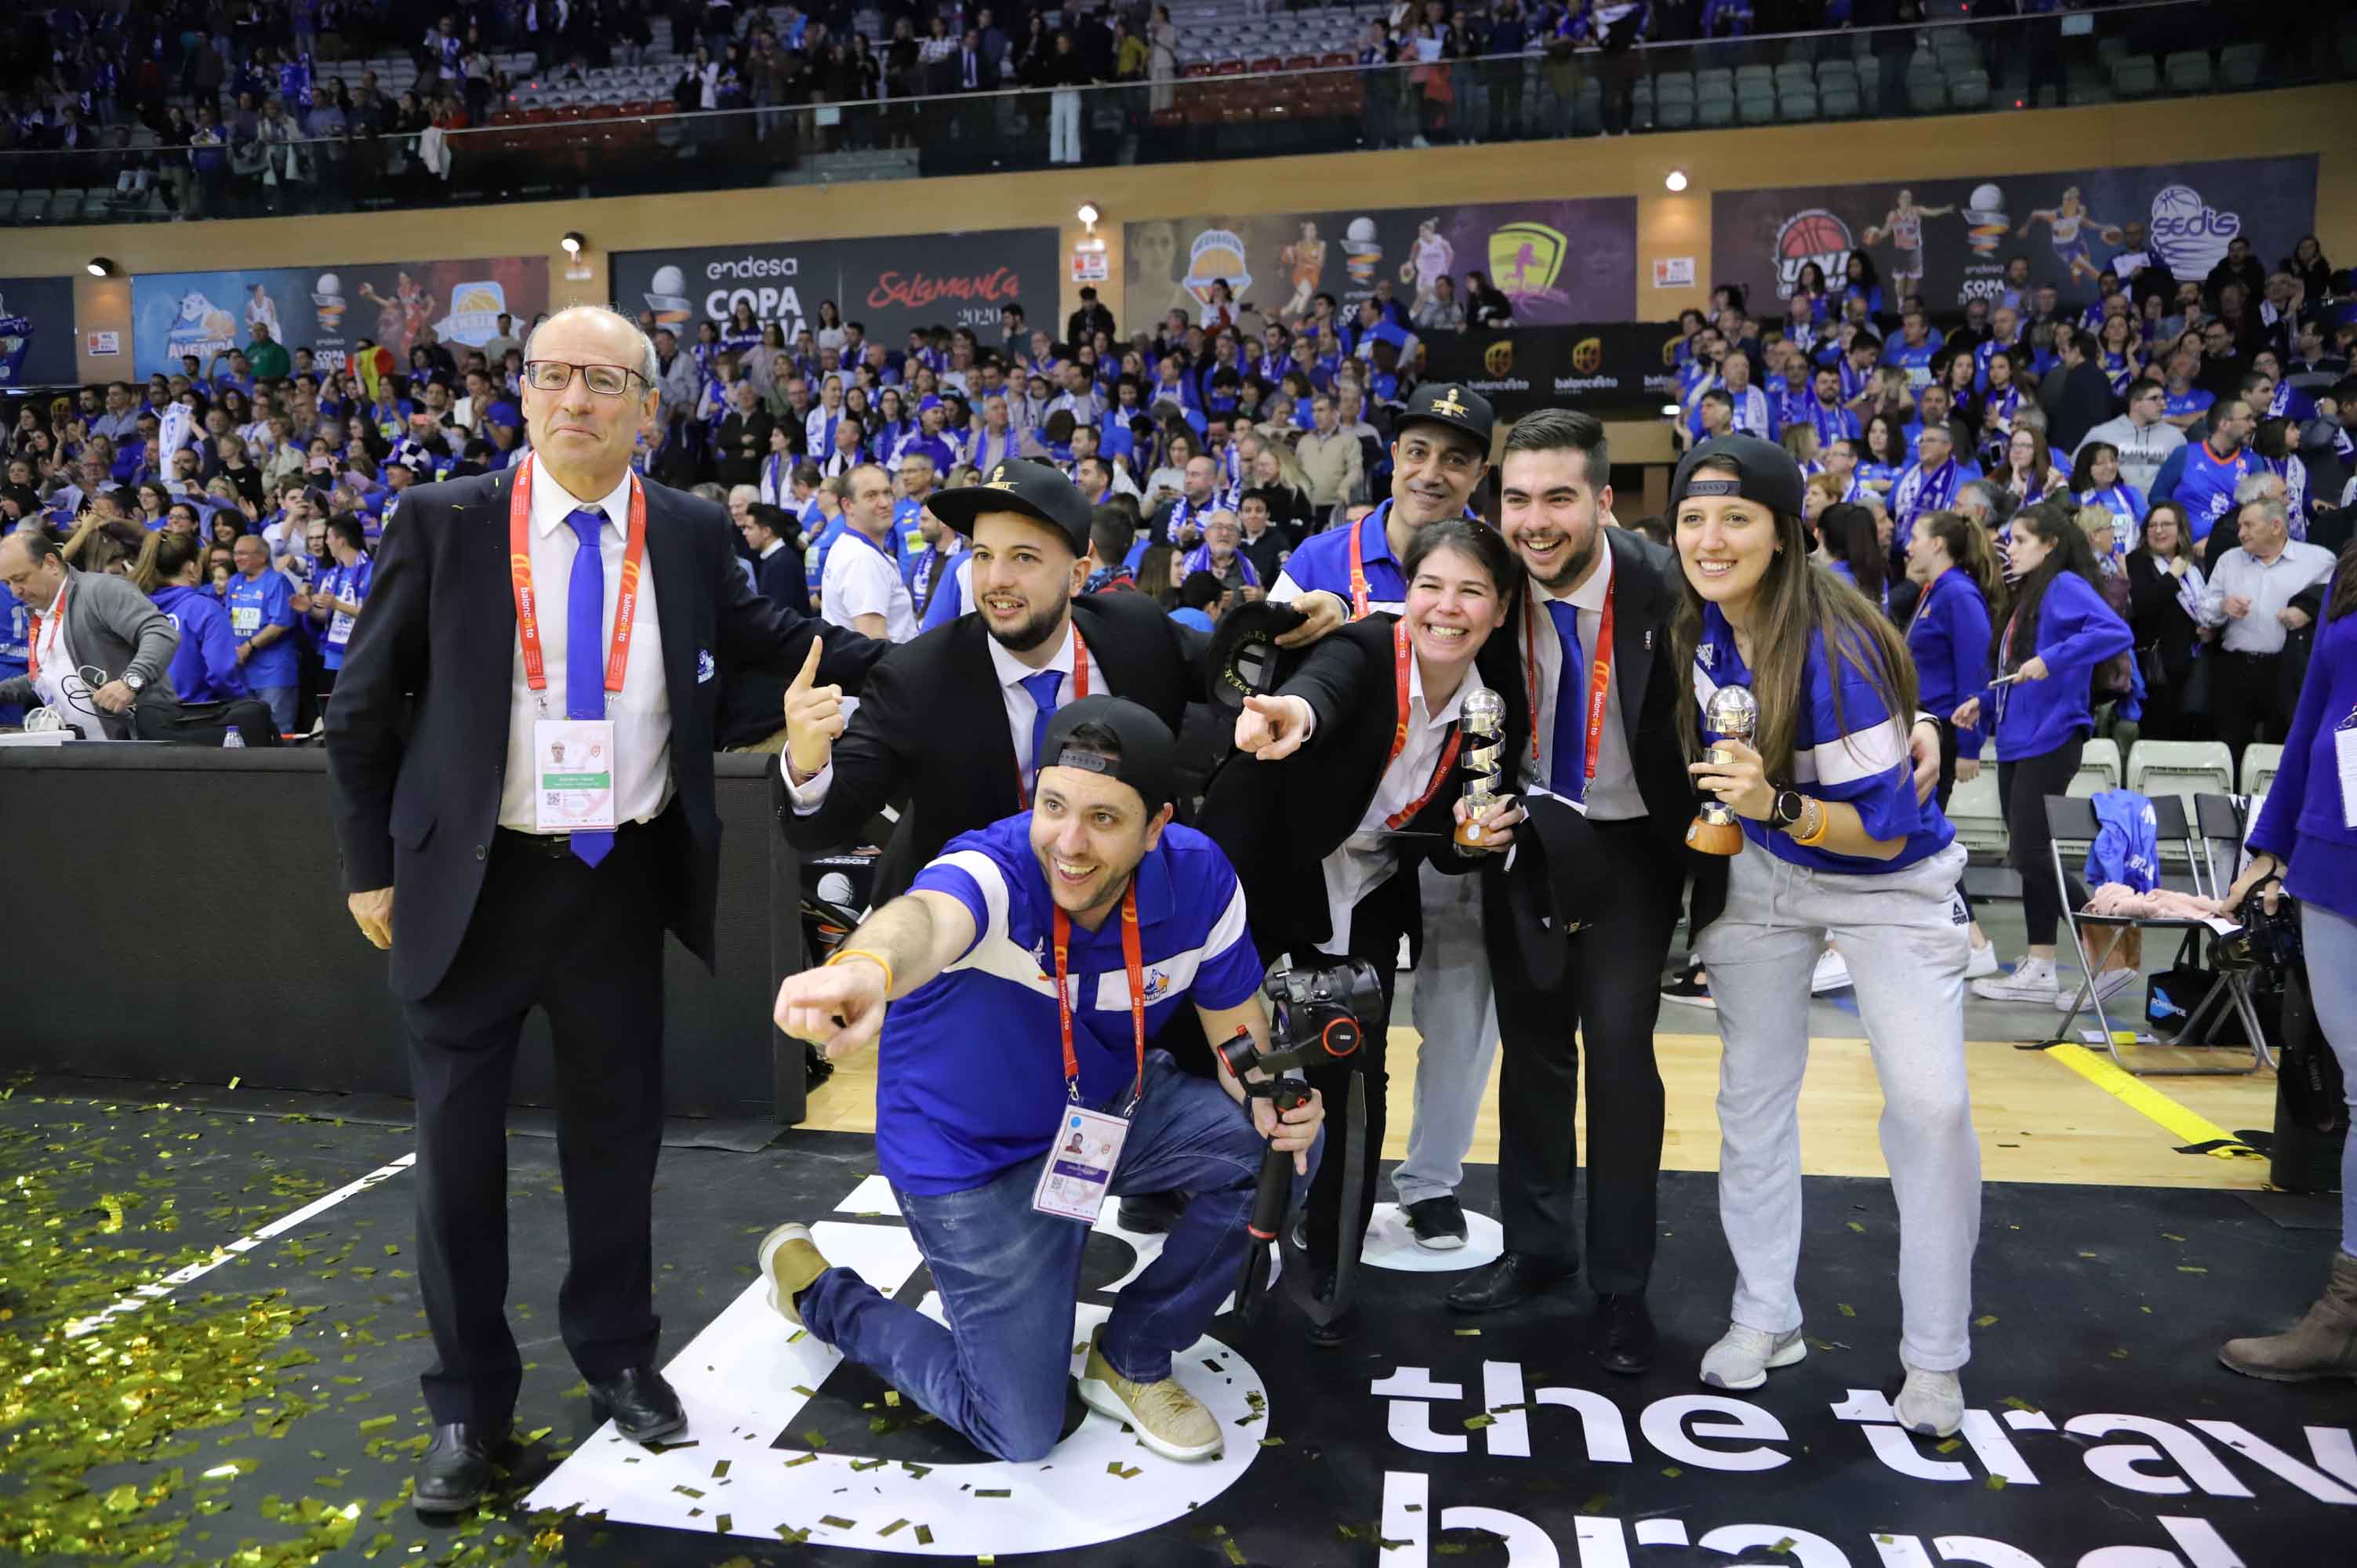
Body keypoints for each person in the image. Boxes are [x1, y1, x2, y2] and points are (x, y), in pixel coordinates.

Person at [322, 304, 886, 1519]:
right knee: (456, 1165)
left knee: (616, 1140)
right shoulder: (444, 520)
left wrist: (936, 661)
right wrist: (371, 869)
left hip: (614, 877)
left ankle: (620, 1355)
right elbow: (361, 710)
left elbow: (774, 638)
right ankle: (470, 1407)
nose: (574, 398)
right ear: (524, 394)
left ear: (646, 406)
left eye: (603, 382)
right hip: (468, 884)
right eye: (552, 376)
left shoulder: (683, 530)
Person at [758, 697, 1324, 1461]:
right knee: (1019, 1429)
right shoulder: (995, 868)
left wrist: (1273, 1098)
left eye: (1104, 818)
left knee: (1283, 1147)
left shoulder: (1200, 882)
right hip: (968, 1152)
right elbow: (924, 917)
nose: (1069, 841)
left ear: (1157, 827)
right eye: (1053, 806)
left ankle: (1134, 1350)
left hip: (1101, 1113)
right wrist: (865, 964)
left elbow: (1239, 1045)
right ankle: (820, 1291)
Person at [1671, 433, 1980, 1439]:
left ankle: (1935, 1357)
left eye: (1735, 518)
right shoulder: (1697, 621)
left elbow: (1881, 828)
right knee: (1751, 1095)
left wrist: (1778, 802)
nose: (1710, 539)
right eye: (1691, 517)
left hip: (1888, 880)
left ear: (1786, 532)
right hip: (1763, 873)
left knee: (1930, 1108)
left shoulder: (1841, 644)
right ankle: (1768, 1313)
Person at [1438, 410, 1728, 1373]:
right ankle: (1537, 1245)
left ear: (1604, 500)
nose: (1535, 519)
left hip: (1634, 847)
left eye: (1559, 496)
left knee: (1616, 1056)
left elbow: (1787, 638)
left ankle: (1620, 1284)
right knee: (1531, 1054)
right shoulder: (1492, 579)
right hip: (1525, 840)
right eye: (1517, 498)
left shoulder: (1668, 585)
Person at [1204, 519, 1532, 1346]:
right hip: (1269, 860)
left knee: (1353, 1056)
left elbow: (1457, 851)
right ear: (1405, 591)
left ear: (1500, 610)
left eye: (1471, 591)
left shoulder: (1499, 698)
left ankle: (1331, 1261)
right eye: (1431, 585)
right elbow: (1326, 690)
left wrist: (1472, 839)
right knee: (1212, 1036)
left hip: (1372, 881)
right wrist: (1294, 715)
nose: (1446, 607)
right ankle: (1193, 1208)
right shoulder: (1365, 645)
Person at [2216, 538, 2357, 1383]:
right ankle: (2344, 1310)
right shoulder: (2348, 567)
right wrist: (2269, 845)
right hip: (2333, 860)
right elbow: (2313, 718)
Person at [1953, 502, 2135, 1007]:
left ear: (2050, 544)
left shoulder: (2066, 587)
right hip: (2017, 737)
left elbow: (2116, 632)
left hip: (2052, 738)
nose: (2010, 547)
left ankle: (2113, 953)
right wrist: (1984, 703)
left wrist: (2051, 661)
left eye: (2021, 539)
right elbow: (2018, 671)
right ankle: (2039, 966)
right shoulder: (2028, 593)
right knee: (2034, 857)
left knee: (2032, 853)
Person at [1902, 509, 2003, 975]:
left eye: (1916, 536)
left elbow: (1976, 673)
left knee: (1928, 839)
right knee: (1923, 837)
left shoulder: (1958, 594)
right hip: (1924, 729)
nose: (1909, 545)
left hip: (1941, 733)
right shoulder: (1935, 591)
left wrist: (1968, 746)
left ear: (1939, 543)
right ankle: (1967, 940)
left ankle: (1975, 943)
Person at [0, 527, 181, 740]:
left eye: (20, 579)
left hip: (138, 744)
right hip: (87, 752)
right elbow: (49, 678)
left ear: (50, 563)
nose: (15, 591)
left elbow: (161, 633)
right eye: (7, 583)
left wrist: (130, 682)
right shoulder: (39, 614)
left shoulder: (101, 590)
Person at [2196, 495, 2337, 758]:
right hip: (2234, 669)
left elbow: (2336, 603)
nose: (2241, 533)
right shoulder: (2229, 560)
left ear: (2276, 526)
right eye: (2240, 526)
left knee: (2283, 749)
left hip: (2288, 670)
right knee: (2229, 748)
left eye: (2249, 526)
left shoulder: (2318, 560)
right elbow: (2204, 610)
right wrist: (2222, 606)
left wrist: (2308, 610)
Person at [2124, 501, 2207, 742]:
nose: (2159, 531)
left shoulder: (2193, 564)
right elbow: (2143, 606)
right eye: (2153, 525)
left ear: (2180, 529)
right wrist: (2172, 576)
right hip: (2158, 670)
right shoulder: (2137, 562)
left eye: (2166, 524)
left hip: (2192, 664)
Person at [819, 464, 920, 643]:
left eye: (887, 493)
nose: (885, 503)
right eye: (871, 495)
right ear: (848, 505)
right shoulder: (862, 559)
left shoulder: (850, 546)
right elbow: (874, 643)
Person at [151, 532, 249, 704]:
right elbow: (220, 671)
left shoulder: (141, 606)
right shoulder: (206, 609)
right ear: (191, 567)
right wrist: (240, 699)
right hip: (200, 715)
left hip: (152, 714)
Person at [224, 532, 300, 733]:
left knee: (278, 729)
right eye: (235, 553)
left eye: (243, 554)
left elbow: (281, 623)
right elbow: (230, 619)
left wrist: (249, 646)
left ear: (261, 557)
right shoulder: (234, 582)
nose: (237, 558)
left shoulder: (277, 582)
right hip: (243, 671)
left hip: (274, 672)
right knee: (247, 731)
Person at [311, 512, 372, 695]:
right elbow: (326, 616)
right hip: (333, 656)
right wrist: (308, 608)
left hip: (361, 655)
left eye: (328, 537)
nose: (326, 542)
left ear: (341, 540)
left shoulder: (372, 571)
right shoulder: (332, 575)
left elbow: (376, 613)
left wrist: (337, 605)